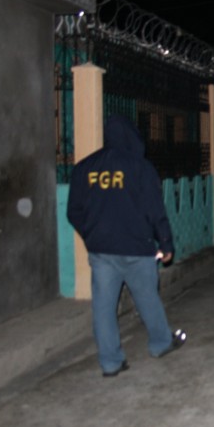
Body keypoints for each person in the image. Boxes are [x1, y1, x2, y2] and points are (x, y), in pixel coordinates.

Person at [67, 115, 186, 377]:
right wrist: (165, 243)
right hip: (136, 247)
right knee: (147, 298)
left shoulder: (85, 167)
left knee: (103, 308)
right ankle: (161, 343)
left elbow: (74, 211)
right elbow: (155, 209)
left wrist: (92, 235)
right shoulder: (140, 167)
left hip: (101, 250)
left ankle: (110, 363)